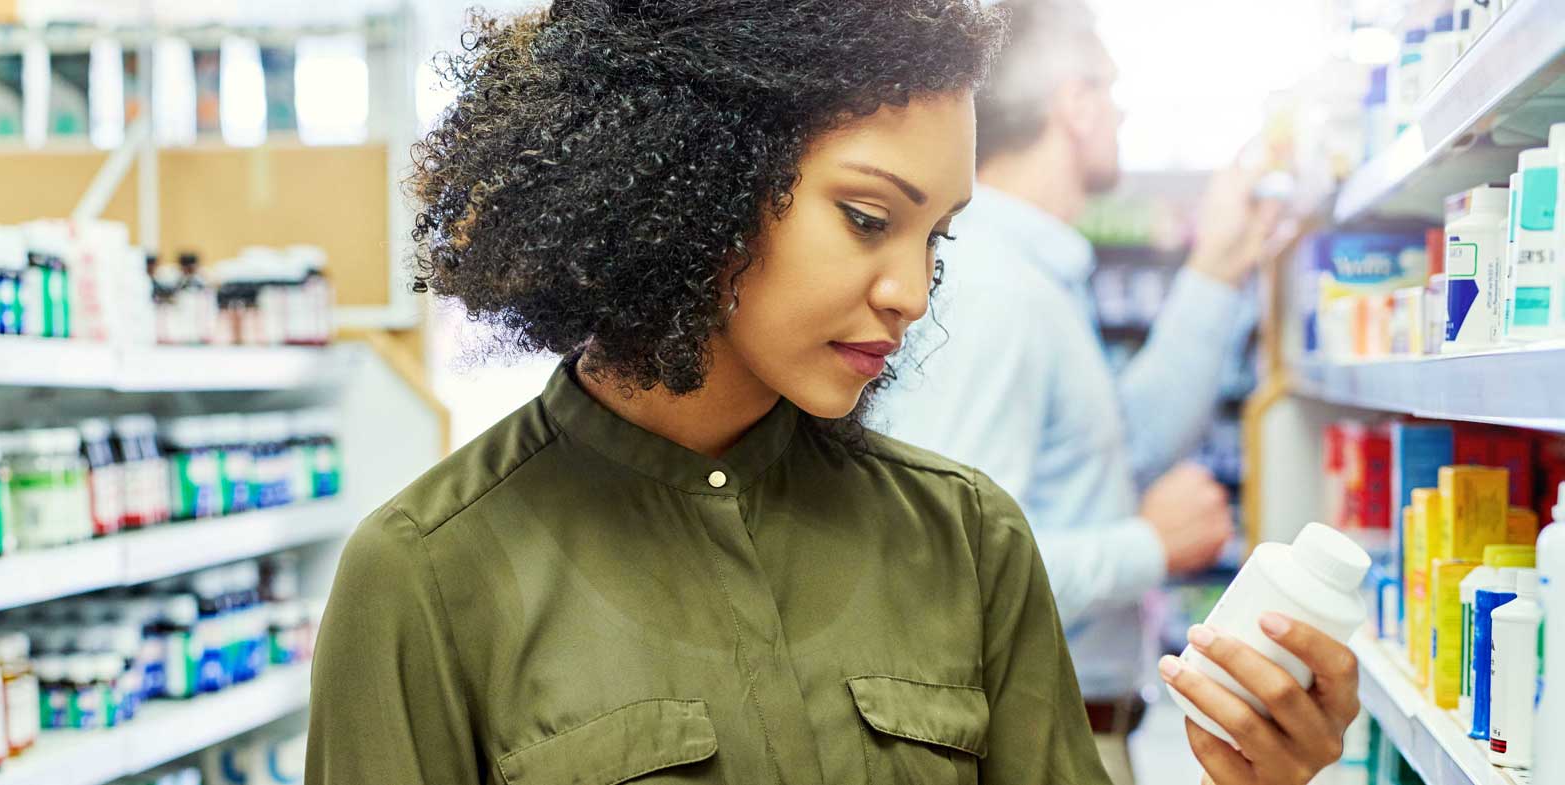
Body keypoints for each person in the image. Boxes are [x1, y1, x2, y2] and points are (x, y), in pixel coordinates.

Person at [308, 2, 1354, 783]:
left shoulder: (967, 538)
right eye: (866, 217)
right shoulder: (427, 576)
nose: (910, 291)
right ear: (693, 180)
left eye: (936, 236)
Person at [877, 0, 1284, 780]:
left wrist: (1218, 268)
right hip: (1023, 742)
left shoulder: (1031, 274)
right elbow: (945, 569)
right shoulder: (998, 291)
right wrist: (1149, 547)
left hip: (1060, 727)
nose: (1122, 112)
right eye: (1113, 89)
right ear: (1075, 102)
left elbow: (1113, 450)